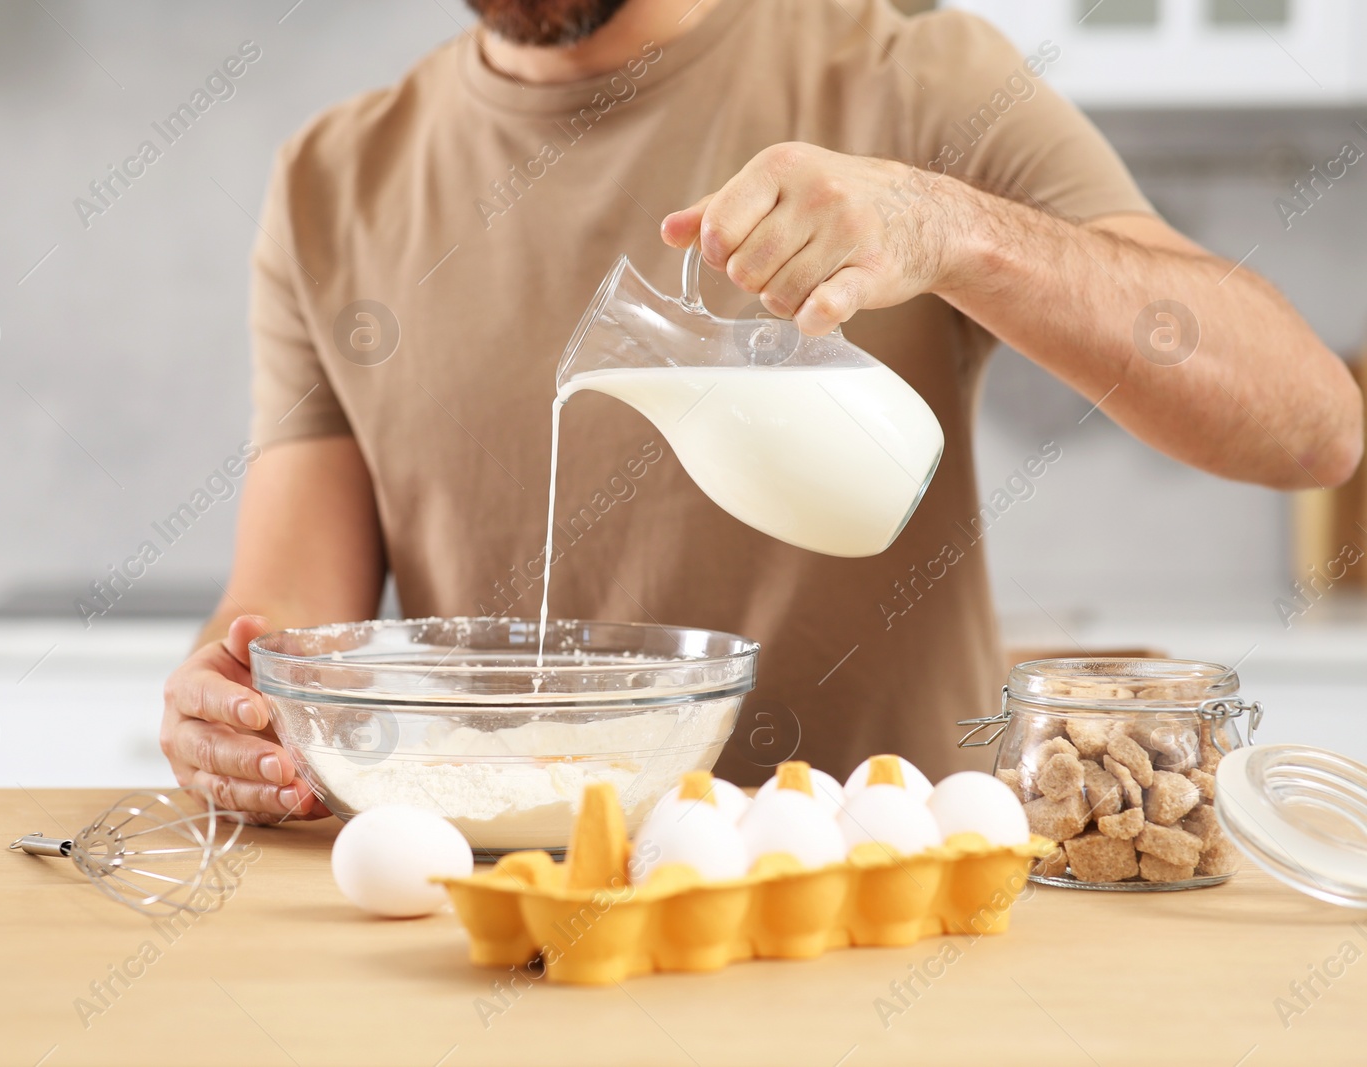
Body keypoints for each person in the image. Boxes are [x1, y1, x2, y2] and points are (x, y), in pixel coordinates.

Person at [160, 0, 1362, 822]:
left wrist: (949, 227)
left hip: (887, 906)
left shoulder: (909, 77)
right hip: (518, 919)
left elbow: (1311, 425)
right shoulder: (331, 183)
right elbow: (289, 622)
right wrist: (238, 705)